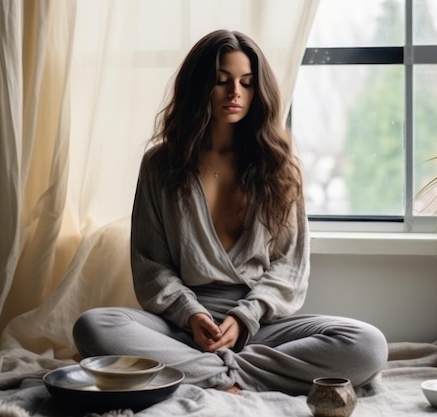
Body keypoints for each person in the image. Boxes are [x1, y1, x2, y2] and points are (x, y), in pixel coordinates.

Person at [72, 29, 388, 395]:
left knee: (367, 344)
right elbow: (150, 265)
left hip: (259, 329)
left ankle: (211, 374)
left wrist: (244, 316)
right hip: (179, 328)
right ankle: (232, 374)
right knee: (94, 326)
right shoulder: (160, 165)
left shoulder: (280, 165)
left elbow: (290, 267)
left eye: (247, 82)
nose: (235, 92)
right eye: (221, 81)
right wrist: (192, 314)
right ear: (198, 87)